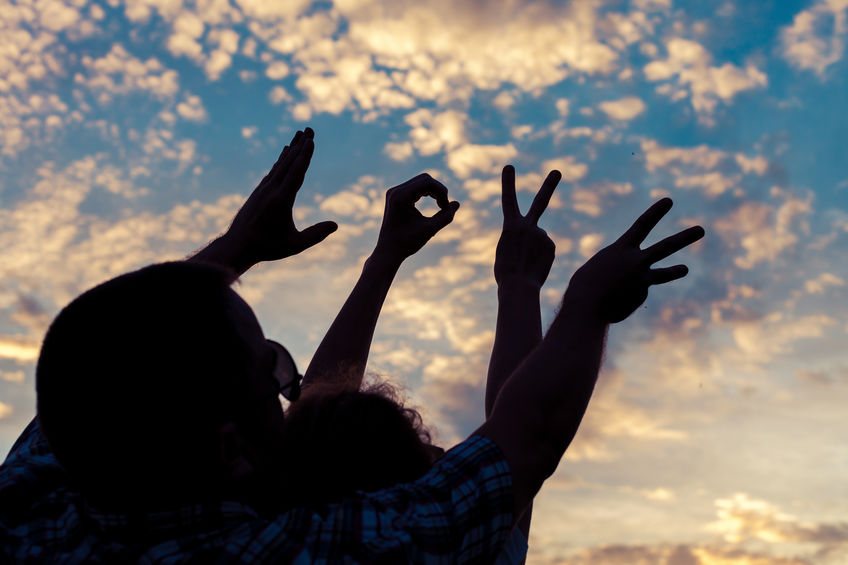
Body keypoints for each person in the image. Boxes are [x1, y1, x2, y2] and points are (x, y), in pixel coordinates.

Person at [0, 124, 704, 563]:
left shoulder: (36, 511)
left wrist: (243, 250)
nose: (293, 387)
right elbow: (524, 435)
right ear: (228, 453)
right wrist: (562, 299)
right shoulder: (324, 547)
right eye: (269, 369)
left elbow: (122, 348)